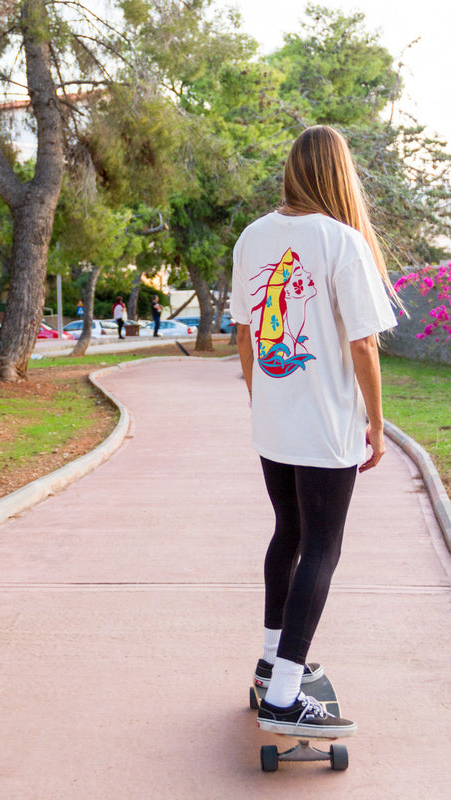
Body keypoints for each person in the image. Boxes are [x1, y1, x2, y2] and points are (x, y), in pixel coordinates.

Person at [230, 125, 397, 739]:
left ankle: (273, 659)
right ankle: (282, 695)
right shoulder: (343, 241)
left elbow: (246, 337)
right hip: (327, 425)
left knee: (289, 533)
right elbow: (362, 344)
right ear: (339, 173)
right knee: (322, 546)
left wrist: (261, 399)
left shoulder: (253, 237)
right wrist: (376, 426)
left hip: (274, 422)